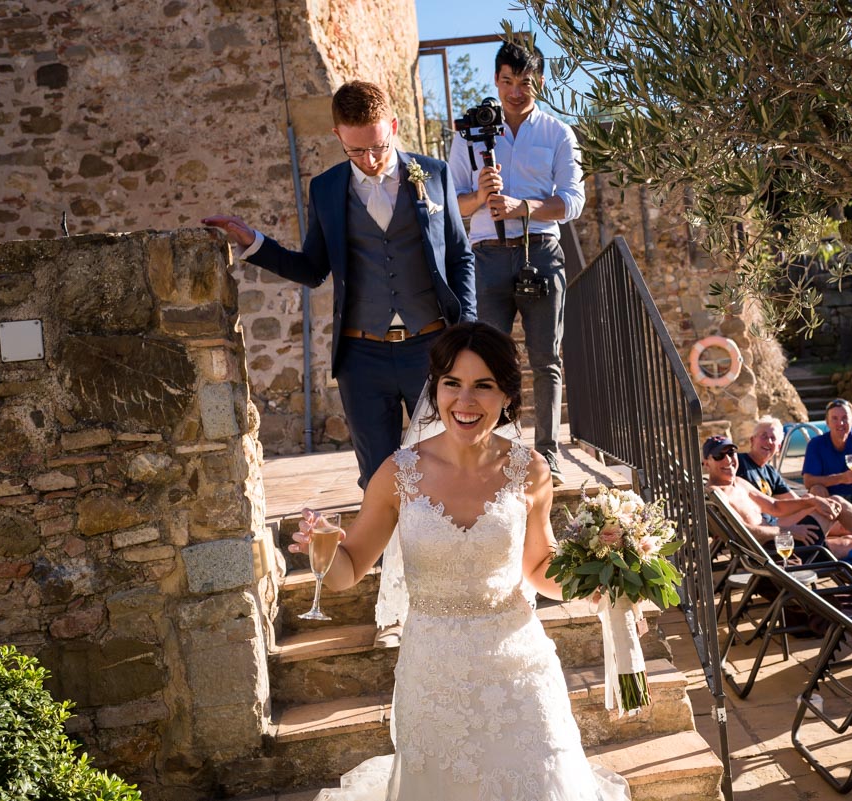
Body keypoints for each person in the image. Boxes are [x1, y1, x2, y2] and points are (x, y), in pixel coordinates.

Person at [290, 322, 630, 801]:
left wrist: (593, 579)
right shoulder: (397, 474)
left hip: (519, 669)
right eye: (452, 383)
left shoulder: (529, 469)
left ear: (507, 396)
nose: (464, 401)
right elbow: (348, 569)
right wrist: (322, 550)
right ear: (436, 389)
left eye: (482, 386)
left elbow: (537, 567)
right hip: (433, 676)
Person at [204, 80, 476, 491]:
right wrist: (254, 243)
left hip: (430, 349)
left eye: (379, 147)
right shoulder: (326, 189)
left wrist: (467, 335)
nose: (369, 159)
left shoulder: (434, 175)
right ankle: (388, 558)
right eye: (355, 150)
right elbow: (314, 269)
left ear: (394, 126)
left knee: (445, 472)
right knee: (379, 483)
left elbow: (460, 257)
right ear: (337, 136)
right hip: (362, 358)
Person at [449, 41, 585, 486]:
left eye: (524, 83)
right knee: (489, 362)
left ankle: (548, 458)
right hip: (485, 257)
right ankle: (499, 455)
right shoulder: (469, 134)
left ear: (539, 82)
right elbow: (453, 204)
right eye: (507, 82)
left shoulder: (558, 133)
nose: (514, 92)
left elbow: (573, 202)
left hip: (541, 253)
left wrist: (522, 206)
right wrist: (481, 198)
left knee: (546, 359)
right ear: (496, 81)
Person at [703, 435, 852, 559]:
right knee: (839, 508)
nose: (728, 460)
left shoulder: (739, 482)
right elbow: (742, 532)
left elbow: (775, 506)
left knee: (845, 532)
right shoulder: (716, 493)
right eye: (719, 456)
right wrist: (788, 531)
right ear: (706, 463)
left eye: (731, 453)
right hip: (775, 549)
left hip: (782, 540)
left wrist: (811, 500)